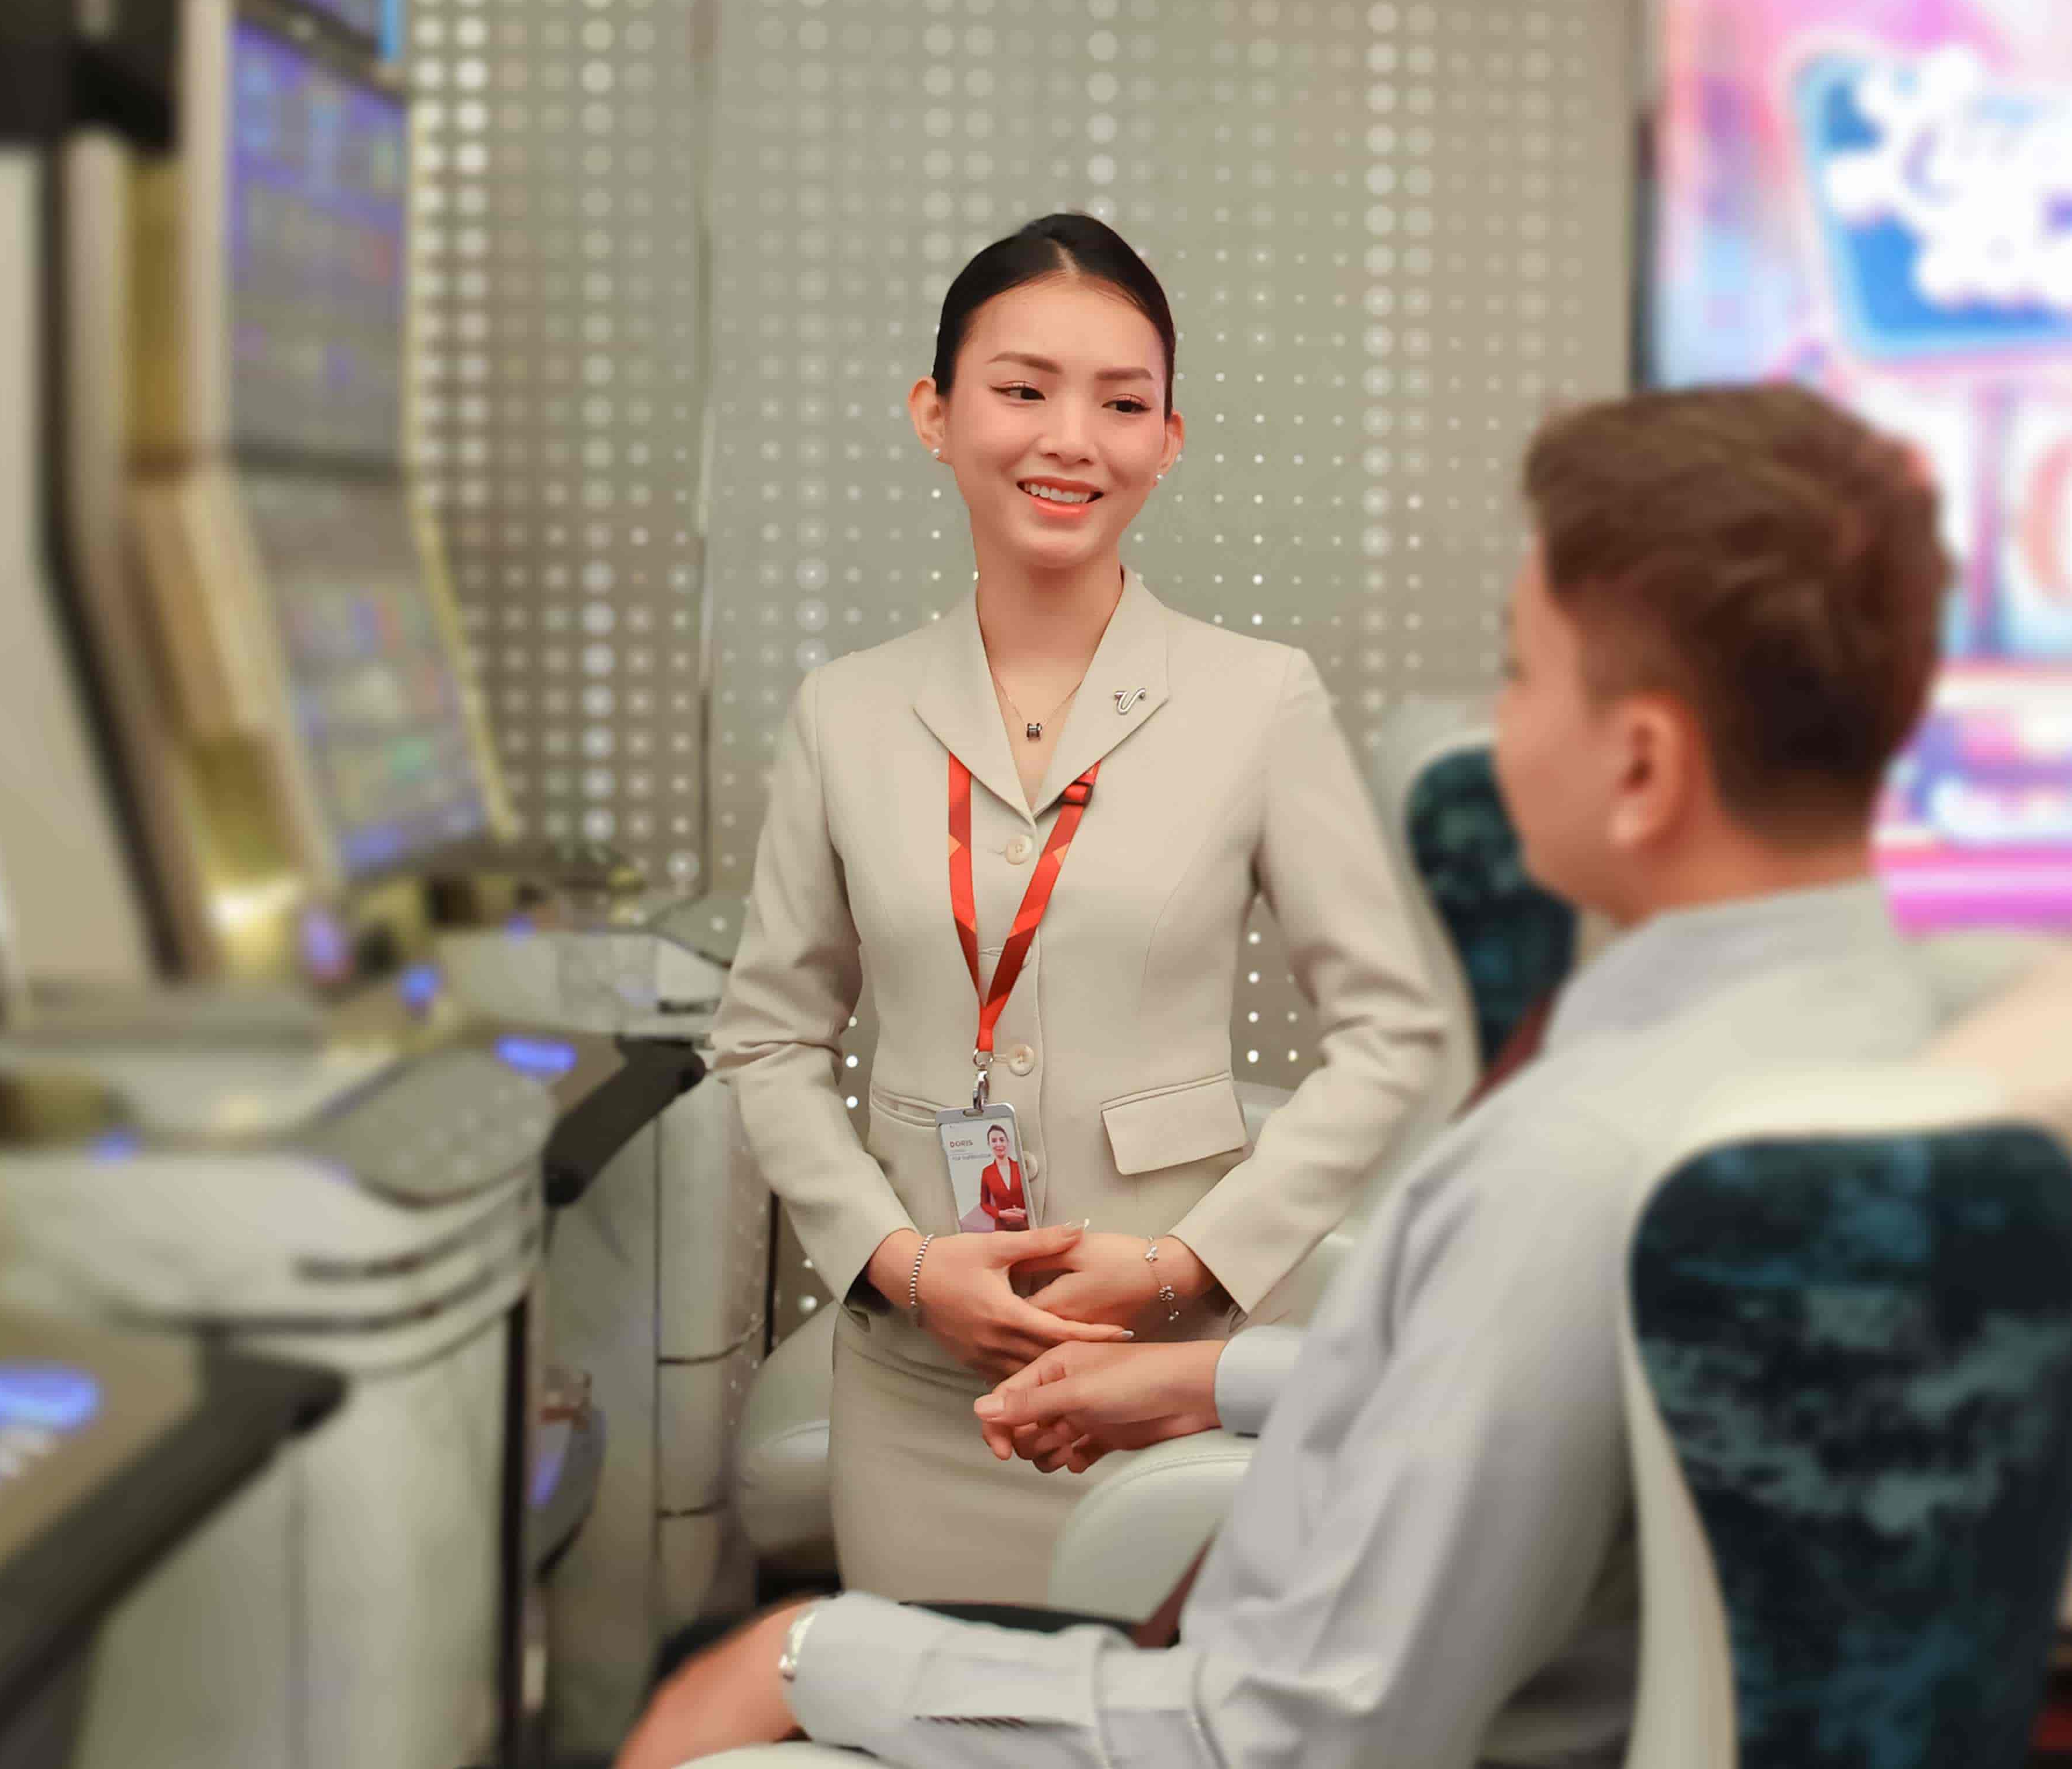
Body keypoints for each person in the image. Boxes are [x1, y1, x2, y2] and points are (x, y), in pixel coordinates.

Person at [619, 382, 1960, 1768]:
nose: (1497, 732)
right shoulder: (1869, 1030)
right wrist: (1221, 1381)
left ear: (1642, 763)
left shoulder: (1572, 1160)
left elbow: (1286, 1734)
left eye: (1520, 675)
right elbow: (1530, 1395)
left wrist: (804, 1654)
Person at [707, 213, 1456, 1603]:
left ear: (1169, 440)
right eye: (1023, 389)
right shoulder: (846, 711)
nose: (1073, 439)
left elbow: (1394, 1031)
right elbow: (767, 1036)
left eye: (1122, 403)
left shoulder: (1259, 700)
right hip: (921, 1378)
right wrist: (900, 1264)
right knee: (927, 1702)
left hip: (1166, 1374)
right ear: (936, 414)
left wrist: (1185, 1262)